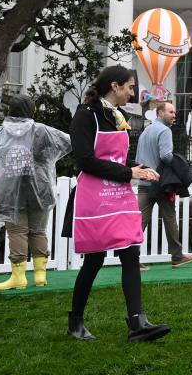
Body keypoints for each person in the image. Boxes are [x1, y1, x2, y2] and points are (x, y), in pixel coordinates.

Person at [62, 65, 170, 342]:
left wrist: (138, 167)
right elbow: (85, 161)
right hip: (95, 198)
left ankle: (136, 322)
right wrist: (128, 173)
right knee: (94, 261)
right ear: (115, 86)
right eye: (130, 87)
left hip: (119, 195)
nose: (133, 93)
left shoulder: (117, 115)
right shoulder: (86, 116)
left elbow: (117, 160)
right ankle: (75, 320)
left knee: (131, 253)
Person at [0, 93, 70, 289]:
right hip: (40, 189)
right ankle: (40, 275)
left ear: (10, 110)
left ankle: (18, 277)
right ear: (31, 110)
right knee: (38, 231)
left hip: (9, 191)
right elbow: (67, 142)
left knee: (17, 233)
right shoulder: (42, 131)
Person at [136, 102, 192, 270]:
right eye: (170, 112)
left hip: (143, 181)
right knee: (170, 218)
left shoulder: (146, 131)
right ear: (160, 113)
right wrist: (181, 165)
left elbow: (139, 156)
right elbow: (166, 156)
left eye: (174, 112)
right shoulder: (164, 130)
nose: (174, 115)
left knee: (139, 222)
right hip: (160, 184)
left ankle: (131, 258)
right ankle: (177, 257)